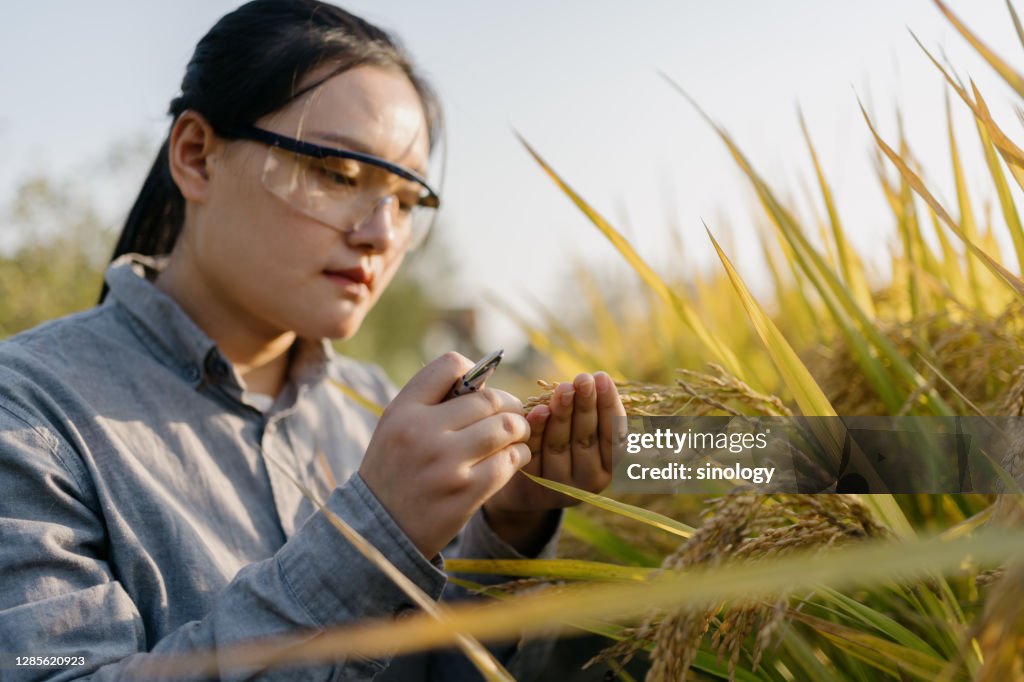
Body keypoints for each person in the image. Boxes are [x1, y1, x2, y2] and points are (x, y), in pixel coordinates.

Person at [0, 0, 625, 679]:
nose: (382, 235)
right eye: (338, 174)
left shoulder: (377, 410)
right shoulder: (29, 414)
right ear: (197, 156)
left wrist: (510, 531)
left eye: (407, 201)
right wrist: (374, 532)